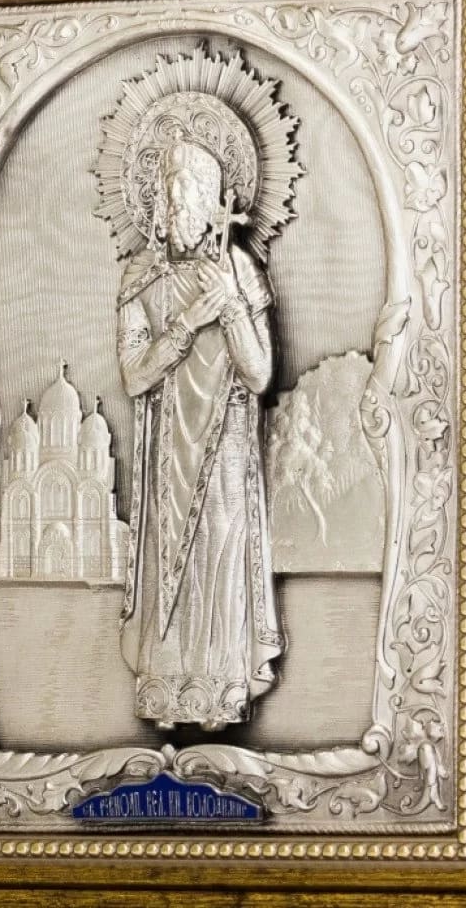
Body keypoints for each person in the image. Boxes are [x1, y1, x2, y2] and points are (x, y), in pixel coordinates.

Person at [116, 138, 284, 731]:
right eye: (166, 189)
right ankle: (167, 690)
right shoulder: (140, 277)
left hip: (226, 445)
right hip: (167, 449)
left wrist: (231, 306)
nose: (173, 200)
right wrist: (189, 321)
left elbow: (259, 374)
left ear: (215, 202)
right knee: (170, 557)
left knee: (221, 550)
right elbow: (134, 376)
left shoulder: (239, 270)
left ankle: (219, 689)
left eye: (185, 189)